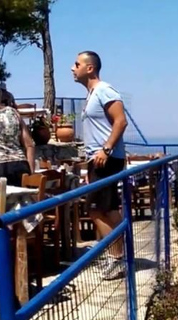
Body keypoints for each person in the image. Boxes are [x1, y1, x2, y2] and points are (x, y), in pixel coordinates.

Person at [72, 50, 128, 280]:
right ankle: (121, 254)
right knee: (108, 209)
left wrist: (106, 149)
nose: (72, 68)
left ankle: (117, 259)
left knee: (95, 210)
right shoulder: (92, 94)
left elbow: (121, 120)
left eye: (77, 64)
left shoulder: (104, 90)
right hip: (97, 160)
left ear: (90, 68)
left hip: (106, 158)